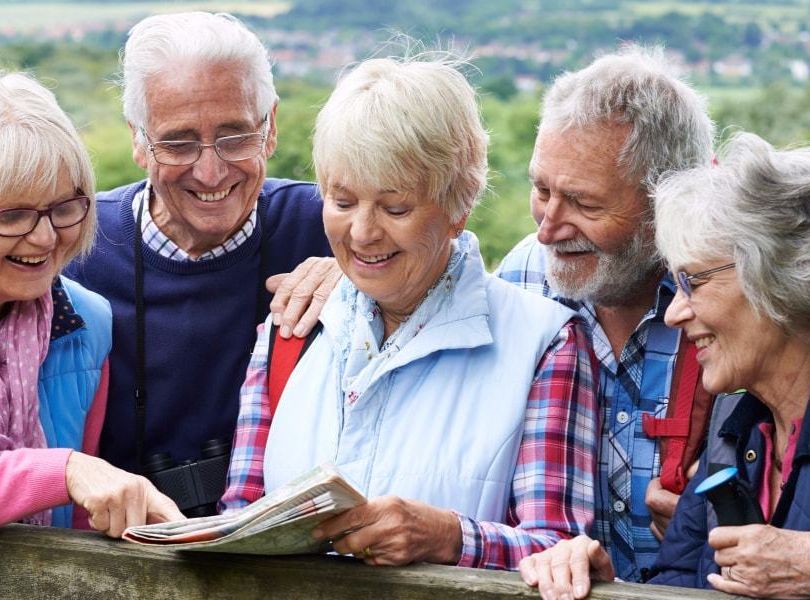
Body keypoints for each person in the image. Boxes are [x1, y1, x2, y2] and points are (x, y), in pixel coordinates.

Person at [270, 45, 715, 580]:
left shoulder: (733, 302)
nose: (548, 228)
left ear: (664, 202)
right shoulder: (528, 271)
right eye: (541, 189)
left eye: (585, 204)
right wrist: (359, 270)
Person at [221, 55, 599, 571]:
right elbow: (239, 520)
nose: (362, 233)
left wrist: (449, 538)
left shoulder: (545, 343)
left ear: (458, 204)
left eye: (395, 208)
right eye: (342, 201)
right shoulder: (290, 330)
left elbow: (560, 554)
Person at [63, 12, 332, 494]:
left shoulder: (331, 226)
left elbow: (444, 259)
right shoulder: (76, 242)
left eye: (235, 137)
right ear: (139, 142)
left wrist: (361, 277)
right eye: (178, 143)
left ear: (270, 128)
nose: (210, 172)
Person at [0, 71, 183, 537]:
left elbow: (82, 517)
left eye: (63, 208)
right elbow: (74, 475)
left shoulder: (85, 323)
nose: (43, 237)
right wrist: (63, 471)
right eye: (14, 215)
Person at [645, 132, 810, 598]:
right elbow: (673, 583)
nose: (674, 313)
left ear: (774, 274)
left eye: (691, 282)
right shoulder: (730, 428)